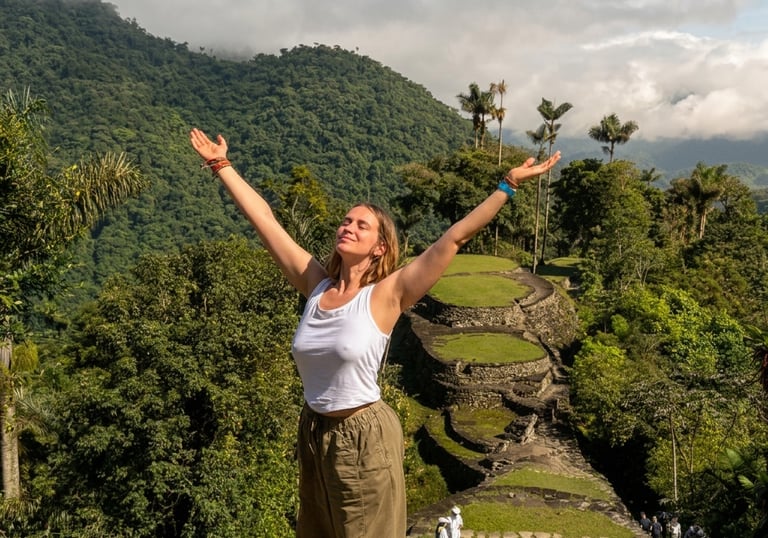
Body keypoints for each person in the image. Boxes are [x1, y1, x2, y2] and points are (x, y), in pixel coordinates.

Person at [189, 128, 561, 538]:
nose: (347, 227)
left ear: (380, 247)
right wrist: (220, 164)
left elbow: (455, 237)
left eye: (361, 225)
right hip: (314, 431)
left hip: (364, 435)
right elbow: (264, 219)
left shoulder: (386, 295)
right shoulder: (315, 285)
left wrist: (506, 185)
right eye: (345, 221)